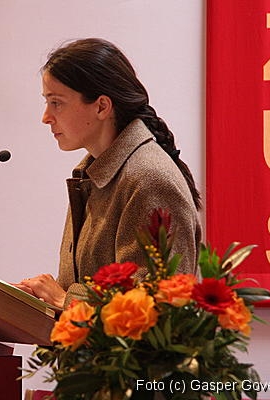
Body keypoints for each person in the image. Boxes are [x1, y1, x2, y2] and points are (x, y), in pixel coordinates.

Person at [15, 38, 202, 310]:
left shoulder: (148, 179)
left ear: (102, 107)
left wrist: (64, 299)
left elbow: (158, 306)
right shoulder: (93, 174)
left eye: (56, 103)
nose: (46, 117)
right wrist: (41, 298)